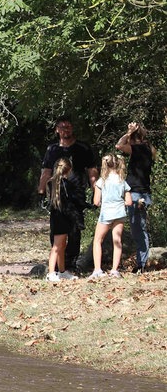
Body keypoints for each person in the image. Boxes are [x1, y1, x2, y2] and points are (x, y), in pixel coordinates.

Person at [38, 118, 98, 271]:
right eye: (63, 127)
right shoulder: (52, 149)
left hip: (77, 195)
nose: (66, 129)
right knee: (57, 232)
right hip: (57, 197)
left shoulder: (82, 148)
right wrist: (41, 192)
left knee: (74, 231)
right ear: (57, 130)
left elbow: (92, 170)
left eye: (69, 126)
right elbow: (46, 172)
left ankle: (70, 265)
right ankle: (57, 267)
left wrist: (96, 191)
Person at [116, 121, 157, 271]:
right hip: (143, 192)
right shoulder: (147, 149)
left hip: (136, 193)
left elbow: (119, 146)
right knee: (140, 228)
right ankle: (142, 262)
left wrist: (128, 132)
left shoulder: (139, 148)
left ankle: (141, 264)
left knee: (138, 229)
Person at [91, 153, 132, 278]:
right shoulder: (122, 181)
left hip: (106, 213)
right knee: (117, 241)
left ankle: (98, 270)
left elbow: (96, 202)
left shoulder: (101, 181)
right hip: (119, 213)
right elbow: (129, 202)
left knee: (98, 240)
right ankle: (114, 270)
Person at [45, 157, 82, 282]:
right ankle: (51, 273)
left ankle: (62, 271)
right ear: (69, 169)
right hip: (63, 218)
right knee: (57, 246)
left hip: (56, 217)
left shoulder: (51, 182)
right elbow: (71, 202)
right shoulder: (66, 184)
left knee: (61, 245)